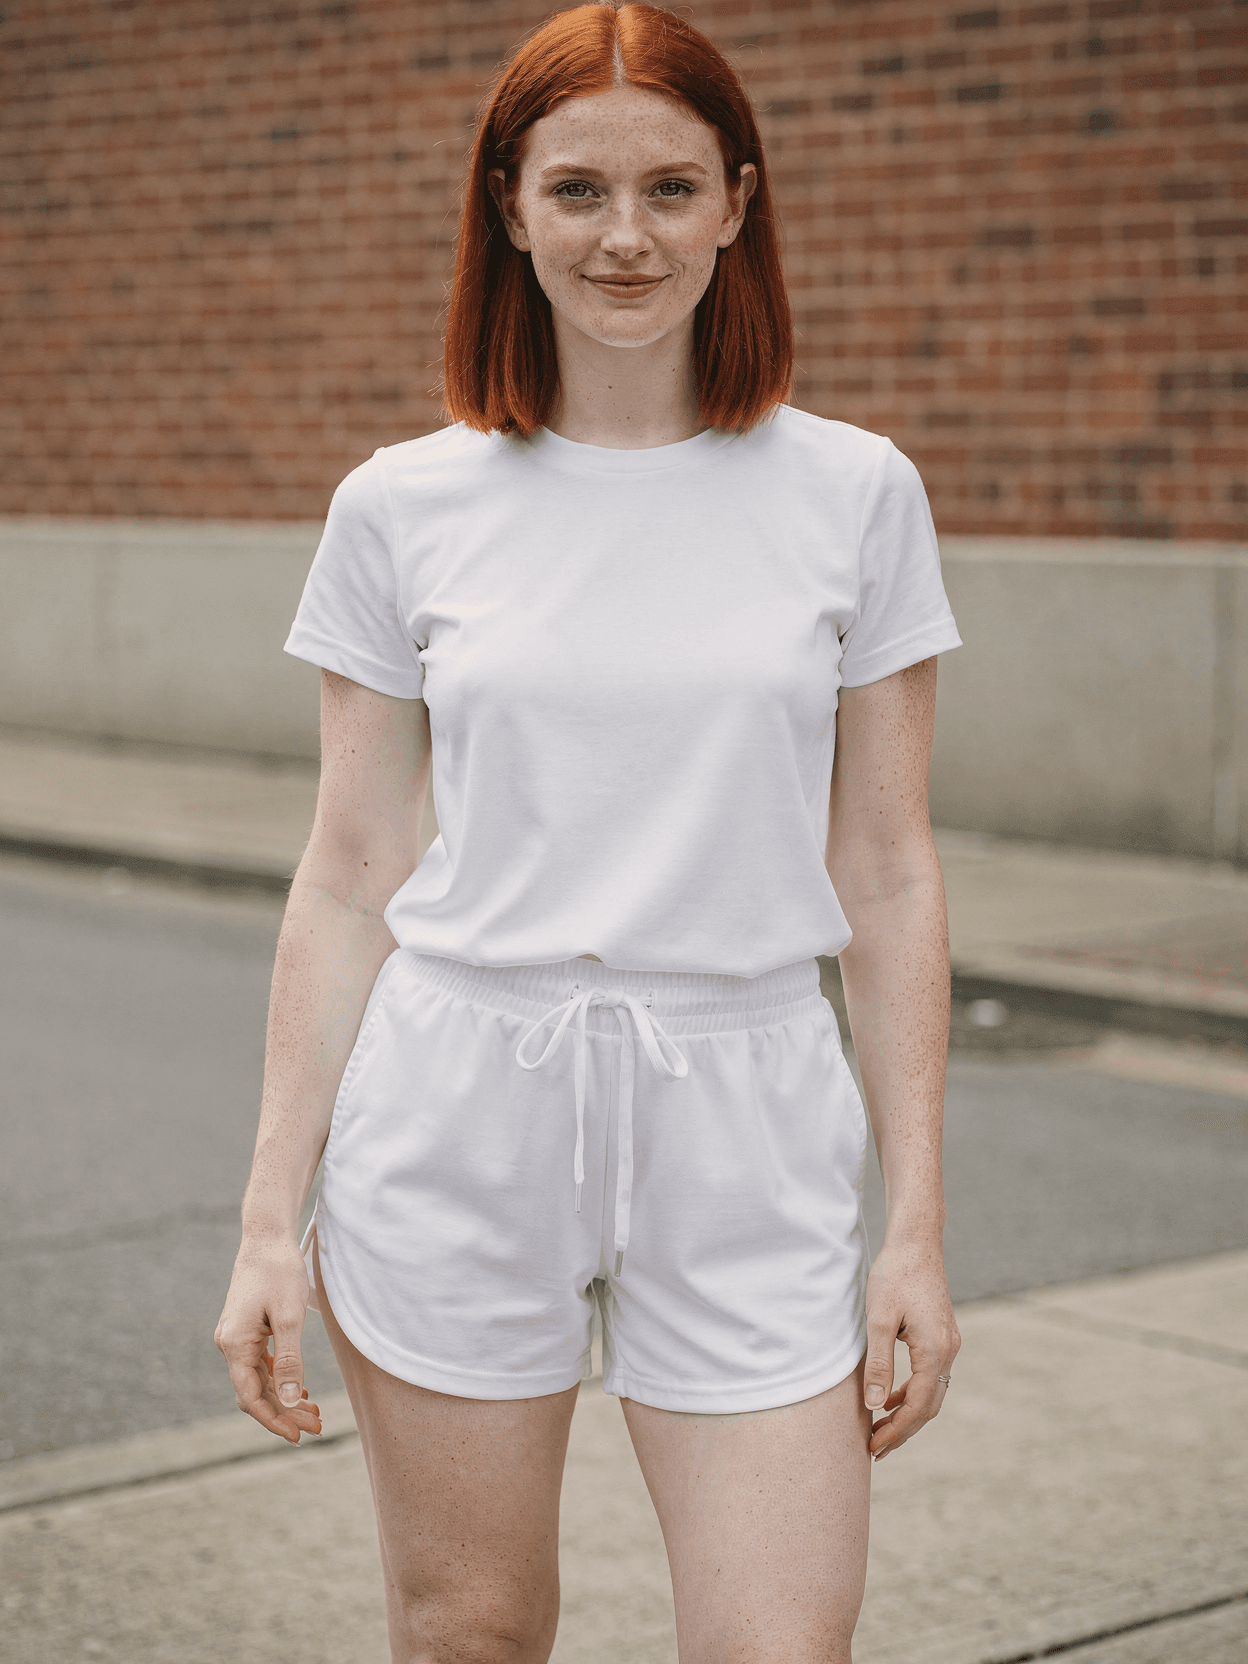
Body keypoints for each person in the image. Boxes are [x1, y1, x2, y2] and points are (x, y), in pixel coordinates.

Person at [215, 4, 963, 1659]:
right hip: (465, 1096)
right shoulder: (402, 505)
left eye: (672, 189)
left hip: (750, 1101)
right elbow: (349, 875)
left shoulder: (855, 493)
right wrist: (271, 1216)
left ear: (737, 207)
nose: (626, 239)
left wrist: (915, 1222)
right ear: (508, 207)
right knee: (470, 1632)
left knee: (781, 1643)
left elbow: (892, 870)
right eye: (577, 192)